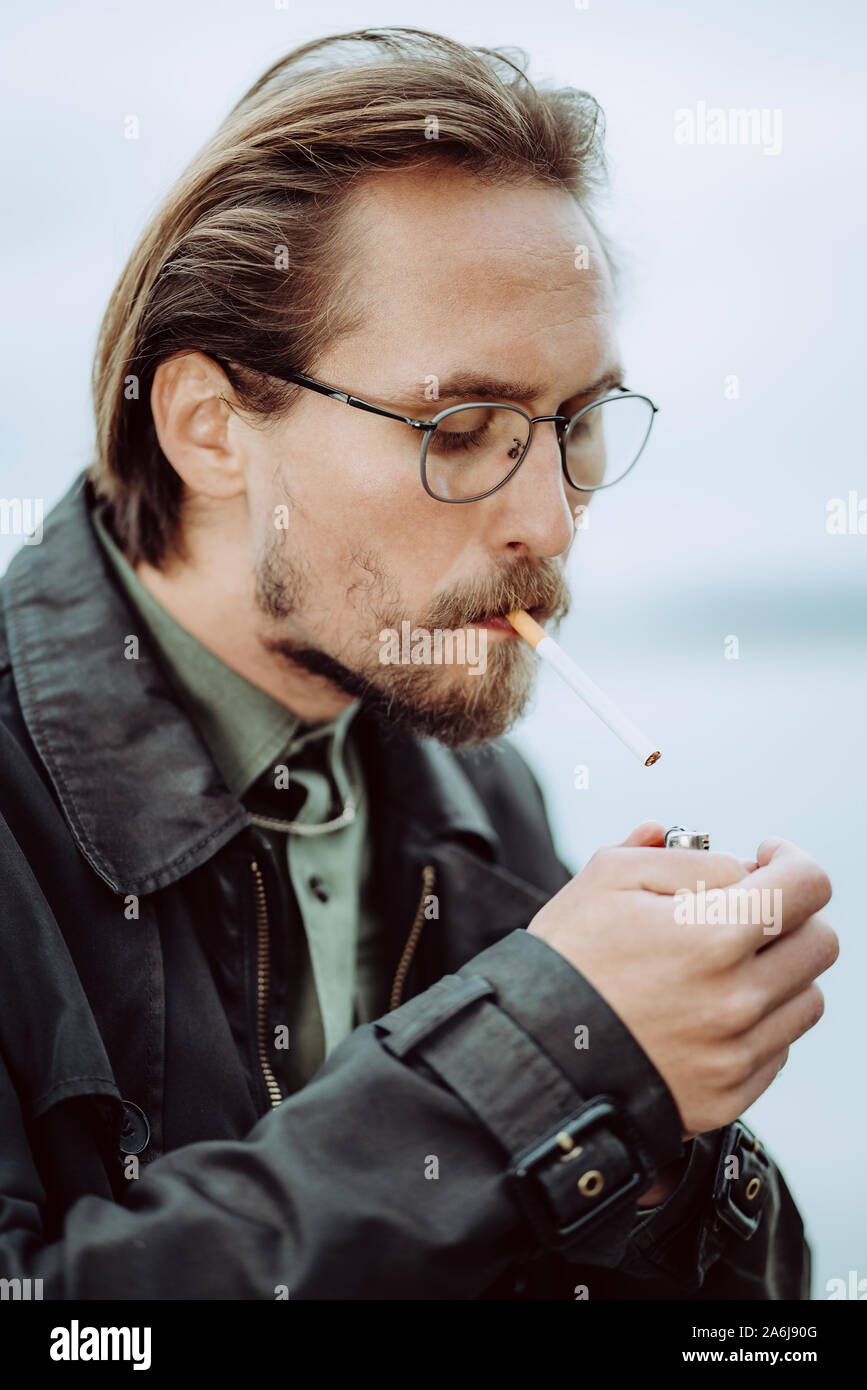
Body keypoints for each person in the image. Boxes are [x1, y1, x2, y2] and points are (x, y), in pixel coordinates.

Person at [0, 26, 836, 1299]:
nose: (550, 521)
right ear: (210, 428)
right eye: (462, 428)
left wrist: (671, 1121)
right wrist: (540, 1056)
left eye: (578, 423)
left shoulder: (472, 793)